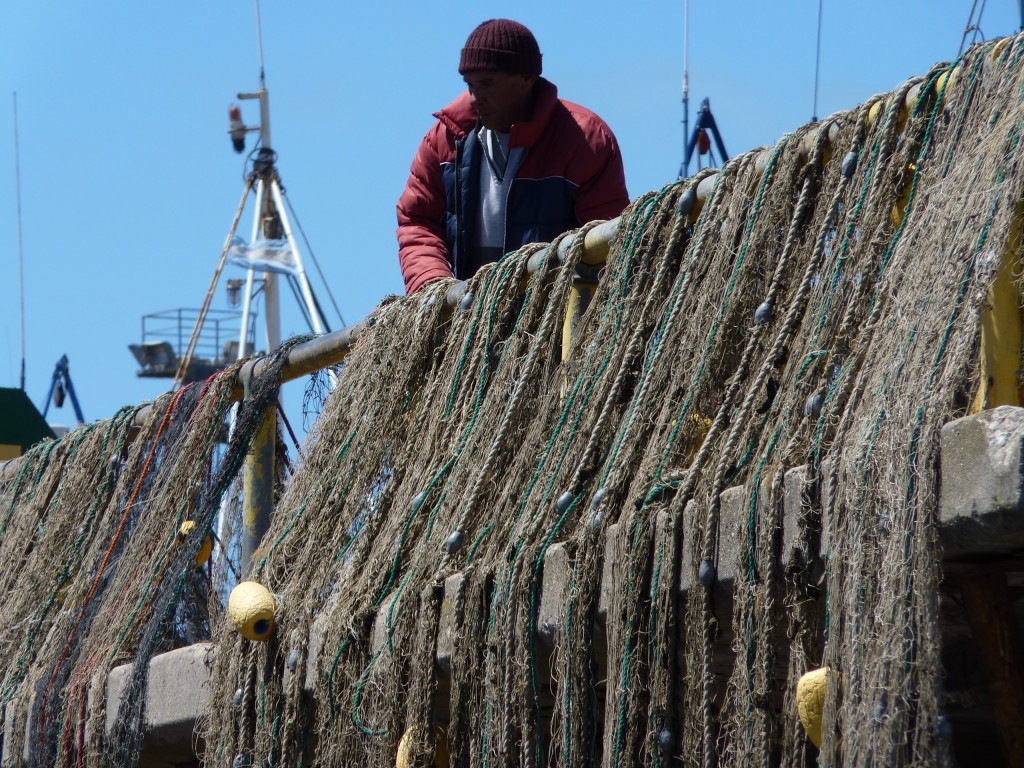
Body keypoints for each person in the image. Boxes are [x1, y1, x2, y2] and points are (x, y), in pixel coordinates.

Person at [397, 19, 630, 294]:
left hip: (553, 322)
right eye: (469, 84)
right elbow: (417, 221)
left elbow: (607, 242)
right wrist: (433, 286)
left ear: (527, 78)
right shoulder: (443, 141)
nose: (475, 97)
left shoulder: (586, 141)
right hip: (468, 323)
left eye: (486, 84)